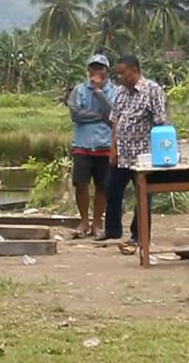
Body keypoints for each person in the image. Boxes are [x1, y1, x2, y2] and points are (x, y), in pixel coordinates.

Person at [96, 54, 167, 248]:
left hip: (143, 155)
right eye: (117, 74)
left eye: (123, 73)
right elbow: (115, 120)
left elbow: (160, 122)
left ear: (135, 71)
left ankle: (139, 235)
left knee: (143, 196)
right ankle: (112, 230)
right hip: (122, 154)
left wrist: (160, 153)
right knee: (111, 190)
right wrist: (113, 148)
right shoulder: (120, 92)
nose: (120, 77)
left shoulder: (152, 90)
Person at [67, 53, 116, 237]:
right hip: (82, 145)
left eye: (100, 68)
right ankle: (83, 221)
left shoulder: (115, 91)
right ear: (88, 70)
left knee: (102, 186)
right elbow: (76, 114)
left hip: (105, 145)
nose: (96, 72)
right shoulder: (78, 91)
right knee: (80, 184)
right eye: (93, 68)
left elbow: (113, 114)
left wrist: (98, 92)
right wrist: (100, 117)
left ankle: (97, 223)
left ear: (107, 71)